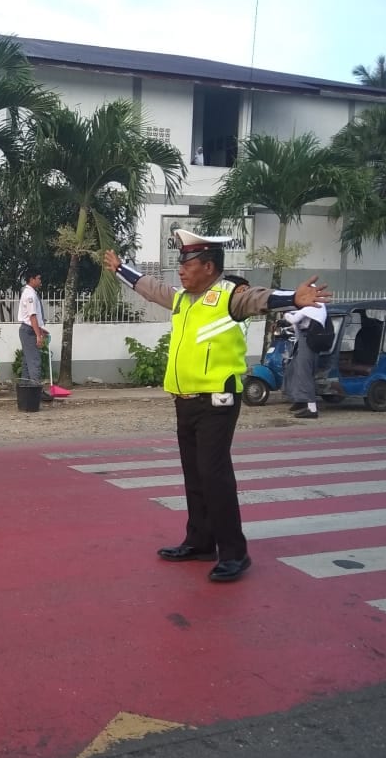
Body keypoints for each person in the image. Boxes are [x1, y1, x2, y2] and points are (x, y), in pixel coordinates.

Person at [104, 230, 330, 582]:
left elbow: (261, 299)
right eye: (181, 264)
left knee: (214, 475)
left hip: (217, 402)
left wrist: (295, 299)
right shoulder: (182, 299)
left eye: (188, 264)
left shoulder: (230, 295)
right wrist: (120, 269)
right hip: (185, 401)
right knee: (194, 475)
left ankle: (235, 553)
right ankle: (200, 542)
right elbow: (148, 287)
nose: (181, 271)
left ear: (208, 267)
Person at [283, 303, 328, 419]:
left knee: (304, 374)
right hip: (307, 341)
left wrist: (286, 314)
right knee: (293, 368)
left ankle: (312, 409)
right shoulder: (317, 307)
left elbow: (294, 319)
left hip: (308, 342)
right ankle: (300, 399)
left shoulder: (314, 306)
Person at [17, 268, 50, 399]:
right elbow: (32, 317)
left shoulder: (30, 293)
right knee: (34, 361)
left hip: (28, 329)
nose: (40, 281)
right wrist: (38, 335)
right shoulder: (30, 295)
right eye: (39, 278)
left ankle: (25, 390)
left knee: (27, 362)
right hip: (29, 331)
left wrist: (41, 330)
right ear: (32, 279)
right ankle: (36, 390)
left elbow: (33, 318)